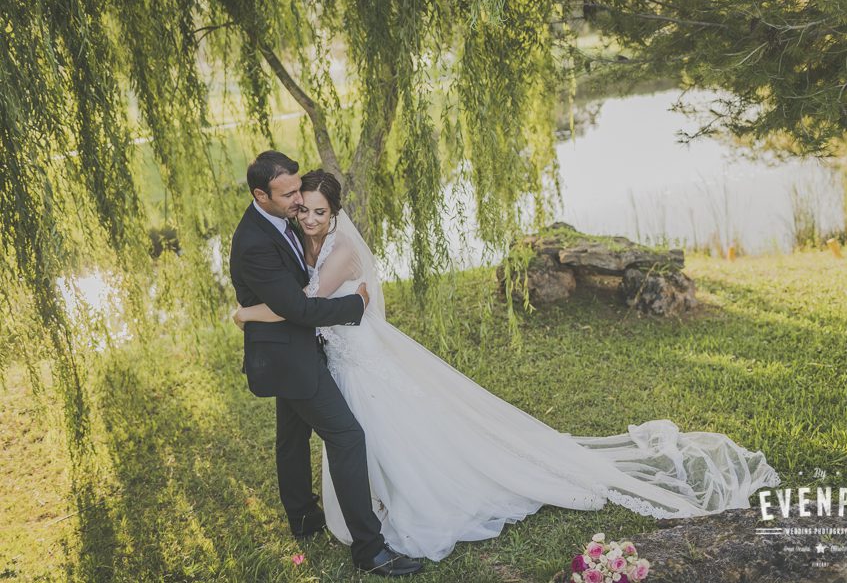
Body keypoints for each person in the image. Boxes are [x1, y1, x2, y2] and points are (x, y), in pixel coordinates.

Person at [233, 168, 782, 562]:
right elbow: (304, 304)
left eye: (316, 210)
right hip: (337, 358)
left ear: (336, 214)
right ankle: (352, 506)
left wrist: (249, 312)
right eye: (300, 207)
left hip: (357, 358)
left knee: (377, 431)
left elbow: (303, 306)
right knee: (357, 434)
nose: (306, 216)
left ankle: (406, 505)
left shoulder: (341, 251)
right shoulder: (302, 242)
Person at [228, 151, 423, 576]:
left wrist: (245, 313)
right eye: (289, 193)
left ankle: (303, 519)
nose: (299, 200)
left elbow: (302, 282)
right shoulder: (255, 242)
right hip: (289, 355)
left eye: (300, 188)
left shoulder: (282, 221)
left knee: (291, 437)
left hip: (296, 348)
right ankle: (370, 551)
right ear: (260, 195)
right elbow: (298, 307)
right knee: (348, 436)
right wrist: (355, 304)